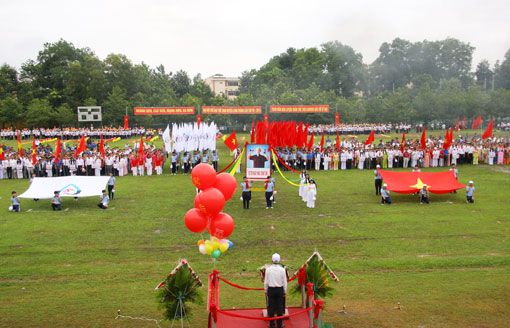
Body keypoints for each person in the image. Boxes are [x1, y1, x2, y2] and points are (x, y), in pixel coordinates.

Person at [264, 253, 287, 328]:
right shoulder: (282, 270)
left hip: (271, 289)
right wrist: (285, 291)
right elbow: (284, 282)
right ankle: (279, 324)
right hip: (279, 289)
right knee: (280, 307)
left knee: (271, 307)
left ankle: (272, 324)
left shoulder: (268, 269)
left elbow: (266, 281)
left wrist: (265, 290)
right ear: (279, 260)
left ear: (272, 260)